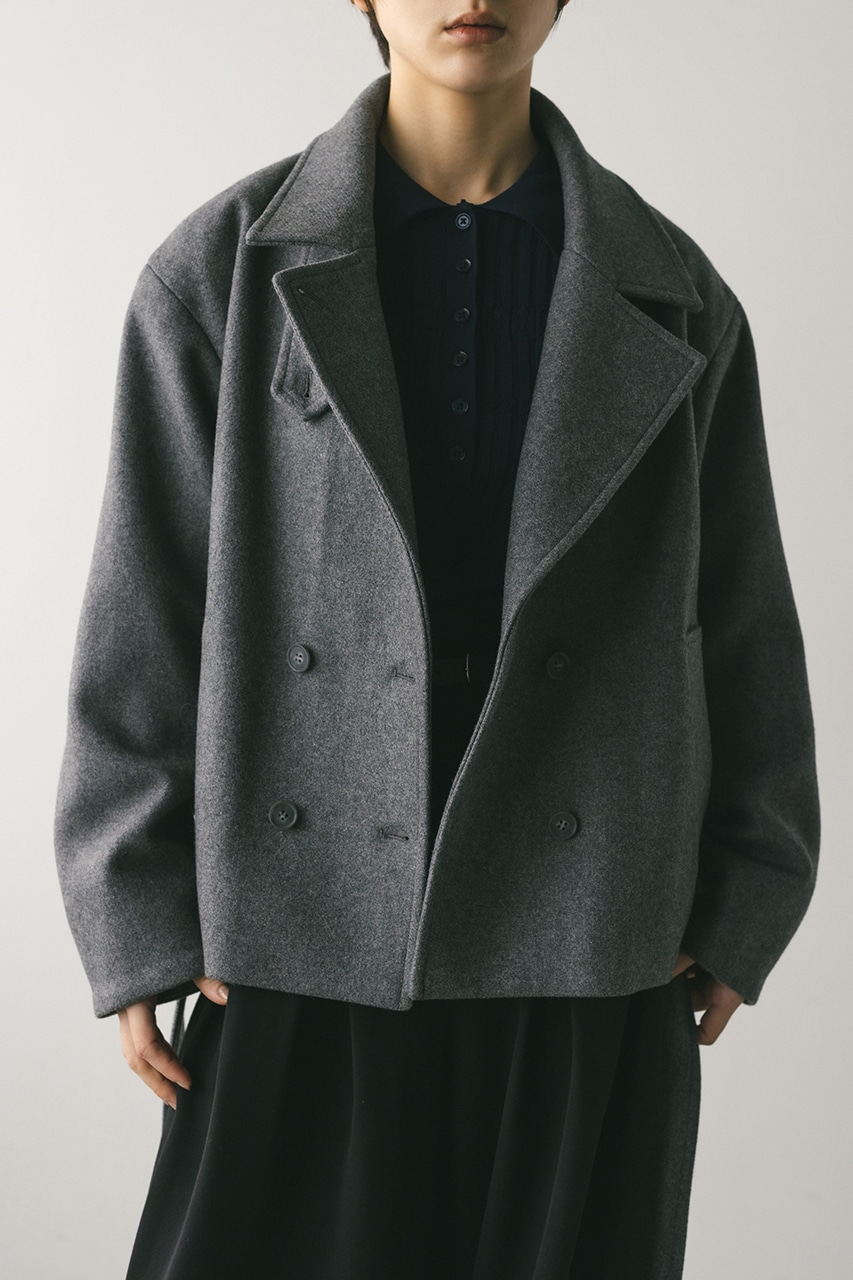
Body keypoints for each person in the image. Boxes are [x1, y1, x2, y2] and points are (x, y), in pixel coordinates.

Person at [54, 2, 820, 1277]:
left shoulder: (676, 293)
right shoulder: (220, 272)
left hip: (587, 933)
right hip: (300, 924)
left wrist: (750, 889)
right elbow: (144, 606)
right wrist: (133, 909)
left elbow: (742, 612)